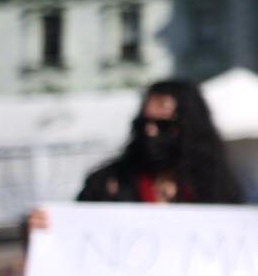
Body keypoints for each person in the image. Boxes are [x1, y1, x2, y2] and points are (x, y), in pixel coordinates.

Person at [25, 80, 245, 233]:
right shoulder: (108, 183)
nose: (151, 132)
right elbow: (73, 240)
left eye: (164, 125)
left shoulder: (217, 188)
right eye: (144, 124)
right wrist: (42, 230)